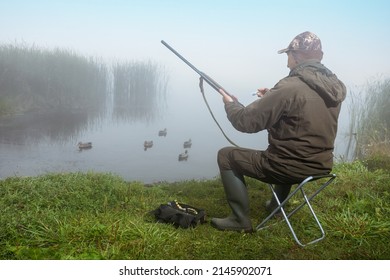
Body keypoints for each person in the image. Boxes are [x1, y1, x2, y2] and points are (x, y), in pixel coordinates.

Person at [211, 31, 347, 233]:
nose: (287, 63)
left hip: (288, 167)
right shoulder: (332, 87)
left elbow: (245, 122)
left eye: (288, 56)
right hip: (321, 166)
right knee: (292, 151)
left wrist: (230, 104)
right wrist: (271, 97)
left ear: (297, 55)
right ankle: (276, 207)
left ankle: (239, 220)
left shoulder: (289, 86)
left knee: (226, 156)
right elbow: (301, 117)